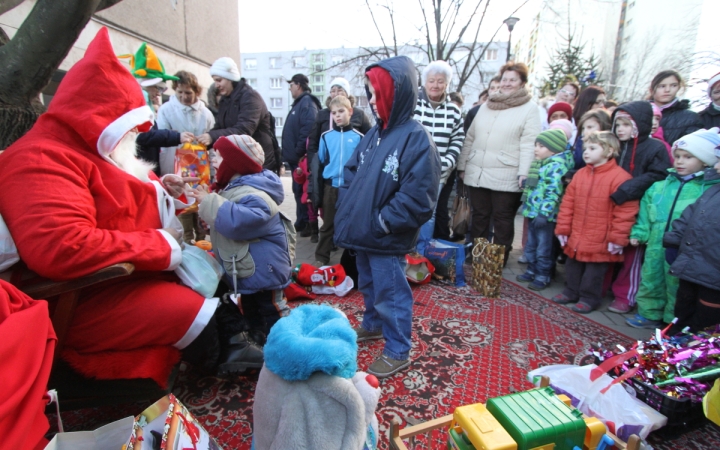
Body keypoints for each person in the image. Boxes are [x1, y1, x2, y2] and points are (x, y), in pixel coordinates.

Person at [0, 28, 263, 383]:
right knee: (191, 309)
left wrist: (163, 191)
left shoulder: (90, 148)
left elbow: (118, 196)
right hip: (84, 296)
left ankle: (234, 345)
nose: (134, 134)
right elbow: (61, 246)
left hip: (123, 279)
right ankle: (219, 363)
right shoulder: (40, 158)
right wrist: (161, 245)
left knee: (211, 274)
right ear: (101, 115)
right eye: (128, 123)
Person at [334, 56, 440, 378]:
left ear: (396, 95)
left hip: (386, 235)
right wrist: (352, 205)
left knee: (391, 292)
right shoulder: (373, 134)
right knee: (368, 282)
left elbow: (419, 195)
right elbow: (351, 170)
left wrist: (383, 220)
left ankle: (397, 349)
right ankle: (373, 324)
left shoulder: (415, 138)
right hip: (364, 231)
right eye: (369, 94)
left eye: (377, 95)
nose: (372, 102)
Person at [191, 135, 292, 358]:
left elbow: (240, 223)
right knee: (251, 312)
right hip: (249, 269)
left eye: (218, 157)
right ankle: (260, 346)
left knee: (273, 311)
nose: (213, 162)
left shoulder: (255, 194)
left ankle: (288, 347)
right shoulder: (231, 189)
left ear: (235, 162)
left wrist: (210, 203)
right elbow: (223, 222)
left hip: (265, 270)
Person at [626, 129, 720, 328]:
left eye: (688, 157)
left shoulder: (707, 189)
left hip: (683, 246)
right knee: (651, 277)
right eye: (677, 156)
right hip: (656, 242)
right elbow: (645, 211)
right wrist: (640, 232)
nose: (680, 161)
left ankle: (671, 320)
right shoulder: (660, 186)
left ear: (705, 160)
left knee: (675, 285)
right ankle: (649, 313)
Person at [458, 62, 540, 264]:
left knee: (503, 218)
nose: (507, 83)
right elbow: (470, 137)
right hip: (478, 170)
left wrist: (524, 172)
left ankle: (497, 261)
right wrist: (462, 165)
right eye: (504, 79)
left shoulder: (530, 109)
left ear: (522, 83)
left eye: (513, 80)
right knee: (479, 217)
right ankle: (478, 256)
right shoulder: (486, 106)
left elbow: (529, 143)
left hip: (507, 172)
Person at [553, 131, 639, 313]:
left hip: (601, 237)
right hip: (577, 233)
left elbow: (625, 211)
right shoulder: (580, 175)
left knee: (594, 272)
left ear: (609, 151)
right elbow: (568, 203)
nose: (586, 152)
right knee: (573, 265)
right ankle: (571, 290)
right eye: (585, 148)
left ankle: (589, 298)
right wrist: (563, 228)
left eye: (592, 148)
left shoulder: (620, 178)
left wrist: (617, 238)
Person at [607, 102, 672, 313]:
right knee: (610, 247)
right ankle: (602, 288)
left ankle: (626, 295)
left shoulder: (655, 148)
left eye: (626, 124)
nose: (620, 130)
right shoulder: (614, 145)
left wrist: (627, 189)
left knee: (631, 256)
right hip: (612, 206)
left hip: (639, 208)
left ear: (640, 125)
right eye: (618, 125)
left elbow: (658, 175)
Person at [663, 136, 720, 333]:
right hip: (692, 268)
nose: (717, 165)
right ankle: (673, 342)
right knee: (683, 310)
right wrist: (673, 242)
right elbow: (688, 217)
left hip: (713, 278)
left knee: (705, 323)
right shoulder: (713, 192)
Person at [306, 77, 372, 237]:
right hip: (331, 174)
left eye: (339, 90)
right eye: (333, 90)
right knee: (328, 215)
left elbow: (369, 140)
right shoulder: (323, 115)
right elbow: (314, 141)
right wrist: (312, 166)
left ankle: (346, 242)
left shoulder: (359, 115)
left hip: (350, 179)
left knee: (350, 215)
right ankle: (327, 248)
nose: (335, 93)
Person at [156, 70, 216, 244]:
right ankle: (186, 239)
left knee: (199, 202)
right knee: (182, 203)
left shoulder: (205, 113)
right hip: (176, 165)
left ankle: (201, 239)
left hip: (201, 167)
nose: (183, 97)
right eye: (179, 92)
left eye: (188, 93)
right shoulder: (167, 110)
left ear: (196, 92)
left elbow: (211, 138)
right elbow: (163, 136)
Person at [414, 60, 465, 250]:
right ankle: (407, 252)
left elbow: (458, 139)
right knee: (410, 210)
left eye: (440, 81)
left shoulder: (453, 111)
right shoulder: (413, 106)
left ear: (447, 84)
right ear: (424, 82)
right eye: (432, 80)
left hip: (440, 173)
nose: (435, 85)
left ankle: (422, 253)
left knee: (431, 212)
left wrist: (448, 162)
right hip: (413, 171)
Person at [197, 57, 280, 174]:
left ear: (230, 78)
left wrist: (212, 136)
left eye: (219, 80)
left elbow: (244, 130)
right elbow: (220, 126)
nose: (216, 85)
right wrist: (204, 140)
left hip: (258, 161)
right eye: (215, 81)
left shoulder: (250, 97)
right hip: (241, 159)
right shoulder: (226, 100)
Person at [516, 129, 572, 290]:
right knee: (531, 245)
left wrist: (544, 213)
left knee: (543, 248)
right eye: (536, 145)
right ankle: (532, 270)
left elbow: (553, 192)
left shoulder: (556, 166)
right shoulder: (543, 163)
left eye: (541, 146)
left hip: (545, 217)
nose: (536, 149)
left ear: (554, 148)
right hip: (533, 212)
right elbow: (540, 186)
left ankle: (543, 275)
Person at [314, 96, 364, 266]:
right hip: (331, 187)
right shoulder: (326, 137)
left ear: (350, 112)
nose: (338, 116)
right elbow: (321, 161)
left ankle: (353, 260)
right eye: (334, 113)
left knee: (352, 224)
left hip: (351, 188)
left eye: (341, 111)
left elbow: (362, 163)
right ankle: (321, 258)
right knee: (328, 224)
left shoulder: (359, 137)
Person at [282, 73, 322, 236]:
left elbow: (308, 130)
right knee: (298, 191)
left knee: (304, 191)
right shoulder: (300, 104)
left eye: (291, 85)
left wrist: (299, 152)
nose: (290, 88)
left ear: (298, 85)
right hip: (295, 159)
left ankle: (306, 223)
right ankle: (301, 221)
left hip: (301, 160)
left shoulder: (307, 103)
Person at [649, 69, 703, 146]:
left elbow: (691, 149)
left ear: (679, 87)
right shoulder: (639, 112)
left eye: (673, 85)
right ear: (652, 89)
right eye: (662, 86)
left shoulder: (690, 118)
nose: (667, 90)